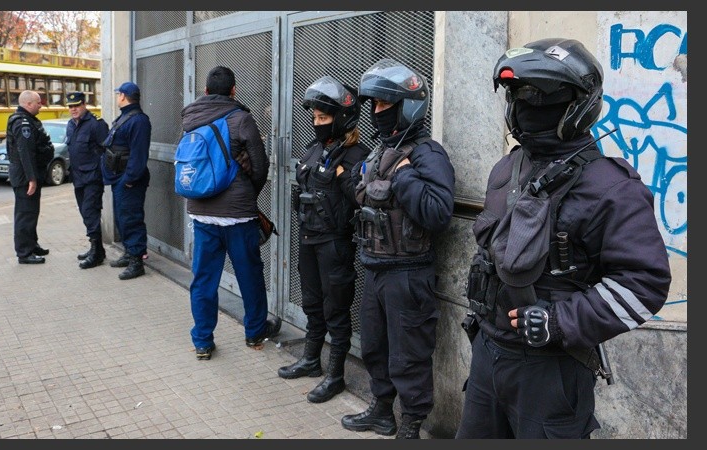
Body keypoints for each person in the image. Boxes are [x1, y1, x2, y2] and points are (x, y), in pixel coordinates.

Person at [455, 38, 672, 439]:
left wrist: (560, 321)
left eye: (542, 96)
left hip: (550, 371)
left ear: (578, 103)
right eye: (519, 94)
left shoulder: (611, 186)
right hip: (487, 353)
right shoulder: (507, 168)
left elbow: (646, 283)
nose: (526, 106)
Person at [340, 58, 456, 439]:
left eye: (384, 106)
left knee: (409, 356)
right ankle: (382, 411)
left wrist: (404, 174)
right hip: (375, 267)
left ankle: (411, 424)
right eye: (373, 105)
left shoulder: (427, 154)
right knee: (375, 348)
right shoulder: (380, 151)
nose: (376, 113)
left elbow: (439, 212)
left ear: (408, 106)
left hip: (408, 273)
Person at [277, 76, 370, 403]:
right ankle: (311, 359)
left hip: (335, 242)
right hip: (309, 237)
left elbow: (361, 197)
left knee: (336, 309)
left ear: (342, 117)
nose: (317, 124)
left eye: (324, 118)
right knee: (313, 303)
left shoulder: (356, 154)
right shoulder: (315, 148)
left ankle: (335, 376)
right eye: (314, 118)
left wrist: (342, 175)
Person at [181, 66, 280, 361]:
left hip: (201, 213)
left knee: (204, 278)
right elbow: (260, 167)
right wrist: (248, 193)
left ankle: (202, 340)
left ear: (206, 91)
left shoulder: (190, 117)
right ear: (234, 90)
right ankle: (255, 333)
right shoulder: (241, 118)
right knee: (249, 275)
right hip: (238, 216)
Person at [101, 81, 152, 280]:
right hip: (119, 177)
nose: (116, 98)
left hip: (128, 179)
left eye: (118, 95)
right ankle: (130, 252)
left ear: (123, 96)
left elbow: (139, 155)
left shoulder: (138, 120)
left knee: (131, 219)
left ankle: (137, 261)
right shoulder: (126, 117)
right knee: (123, 218)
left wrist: (130, 179)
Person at [6, 90, 54, 265]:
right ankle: (24, 253)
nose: (41, 105)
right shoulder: (22, 123)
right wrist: (32, 179)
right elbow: (25, 153)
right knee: (25, 214)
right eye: (38, 102)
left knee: (32, 212)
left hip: (29, 175)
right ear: (28, 104)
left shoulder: (28, 120)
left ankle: (32, 245)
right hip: (26, 178)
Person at [65, 92, 109, 269]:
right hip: (78, 177)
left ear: (84, 105)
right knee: (85, 213)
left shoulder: (96, 124)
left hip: (92, 177)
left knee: (91, 212)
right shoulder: (70, 125)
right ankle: (96, 248)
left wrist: (101, 174)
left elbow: (106, 151)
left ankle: (97, 253)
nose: (73, 109)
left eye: (76, 105)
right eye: (70, 106)